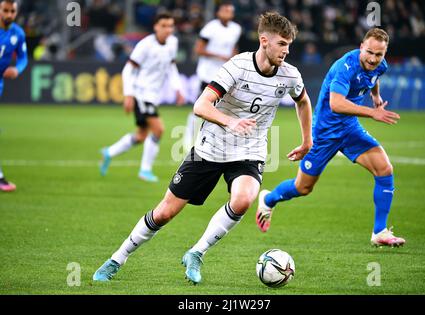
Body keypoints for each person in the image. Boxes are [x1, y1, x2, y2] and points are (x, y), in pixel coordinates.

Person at [93, 12, 312, 284]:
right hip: (211, 149)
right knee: (165, 212)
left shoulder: (290, 75)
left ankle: (196, 252)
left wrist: (307, 141)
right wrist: (229, 121)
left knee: (244, 199)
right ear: (264, 40)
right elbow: (201, 105)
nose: (286, 51)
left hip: (249, 151)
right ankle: (117, 258)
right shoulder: (237, 66)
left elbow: (302, 101)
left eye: (289, 45)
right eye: (282, 44)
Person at [256, 28, 406, 247]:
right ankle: (268, 199)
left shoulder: (380, 65)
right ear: (361, 47)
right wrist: (373, 113)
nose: (374, 59)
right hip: (325, 132)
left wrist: (376, 97)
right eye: (370, 53)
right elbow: (336, 104)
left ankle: (380, 232)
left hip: (350, 127)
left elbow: (374, 78)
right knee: (303, 188)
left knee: (384, 169)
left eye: (379, 55)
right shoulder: (345, 67)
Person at [99, 12, 185, 182]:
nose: (168, 30)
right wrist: (128, 94)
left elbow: (171, 67)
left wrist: (178, 88)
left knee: (141, 135)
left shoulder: (173, 43)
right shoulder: (145, 45)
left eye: (170, 26)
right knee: (158, 129)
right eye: (164, 26)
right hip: (141, 93)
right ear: (155, 27)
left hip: (153, 95)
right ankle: (145, 170)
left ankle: (109, 152)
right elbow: (128, 69)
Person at [183, 1, 242, 152]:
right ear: (218, 13)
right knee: (201, 106)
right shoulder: (211, 28)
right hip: (207, 73)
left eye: (230, 11)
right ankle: (188, 139)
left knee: (222, 108)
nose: (228, 13)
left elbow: (233, 48)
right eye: (225, 10)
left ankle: (212, 140)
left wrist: (233, 59)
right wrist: (220, 56)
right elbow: (199, 49)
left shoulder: (236, 29)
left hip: (225, 75)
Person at [0, 0, 28, 193]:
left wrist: (17, 69)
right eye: (5, 10)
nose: (9, 14)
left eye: (12, 11)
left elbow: (23, 57)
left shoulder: (18, 33)